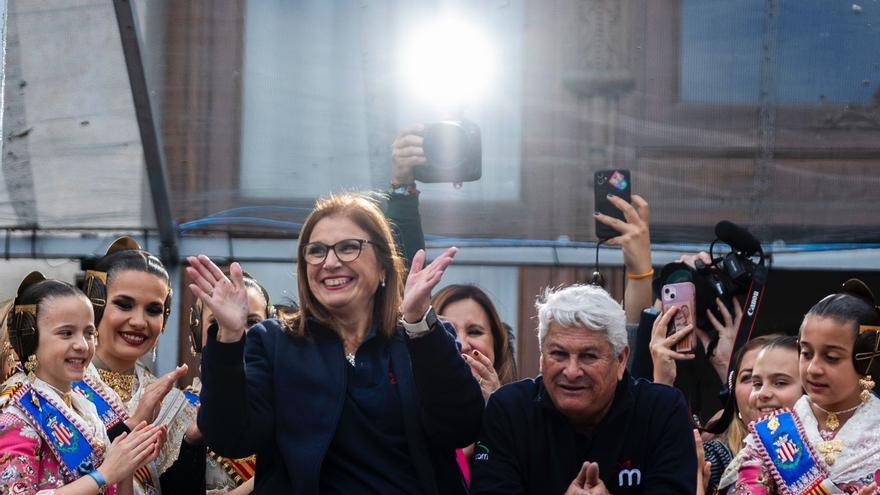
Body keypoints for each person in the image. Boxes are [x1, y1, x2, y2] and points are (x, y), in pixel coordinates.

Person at [190, 192, 484, 494]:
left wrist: (420, 323)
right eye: (316, 251)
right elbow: (230, 438)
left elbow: (460, 427)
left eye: (348, 248)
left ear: (384, 265)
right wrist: (228, 338)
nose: (330, 262)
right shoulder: (272, 343)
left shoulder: (422, 335)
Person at [470, 284, 696, 494]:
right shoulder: (509, 411)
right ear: (541, 358)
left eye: (588, 356)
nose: (572, 371)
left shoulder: (662, 411)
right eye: (558, 354)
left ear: (620, 360)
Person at [0, 272, 166, 495]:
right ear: (31, 339)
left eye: (89, 333)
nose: (82, 345)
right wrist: (103, 474)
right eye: (66, 333)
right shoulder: (16, 416)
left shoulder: (85, 406)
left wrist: (127, 463)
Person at [80, 237, 205, 495]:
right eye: (124, 305)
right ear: (96, 302)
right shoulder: (55, 389)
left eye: (153, 310)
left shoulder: (172, 402)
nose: (139, 321)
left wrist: (192, 442)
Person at [734, 279, 880, 494]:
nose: (813, 369)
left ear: (866, 360)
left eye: (831, 357)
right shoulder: (774, 433)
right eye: (806, 353)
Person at [187, 271, 276, 495]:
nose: (238, 330)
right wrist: (190, 442)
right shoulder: (175, 408)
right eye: (218, 321)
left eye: (253, 322)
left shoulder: (289, 401)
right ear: (197, 333)